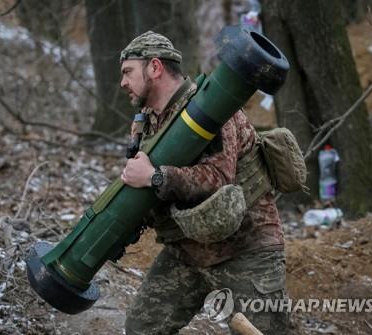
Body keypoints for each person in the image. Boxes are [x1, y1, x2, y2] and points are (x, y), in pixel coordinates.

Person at [119, 31, 289, 334]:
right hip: (186, 252)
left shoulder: (211, 107)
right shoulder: (146, 123)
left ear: (154, 68)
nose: (123, 82)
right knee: (142, 328)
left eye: (128, 72)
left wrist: (156, 176)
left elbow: (217, 178)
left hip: (246, 249)